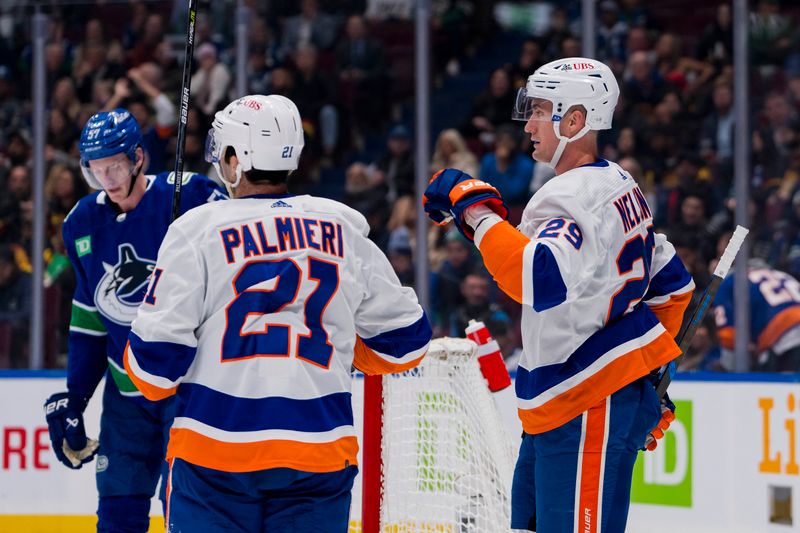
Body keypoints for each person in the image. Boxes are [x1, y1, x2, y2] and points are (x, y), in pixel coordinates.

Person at [123, 95, 431, 532]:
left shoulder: (196, 230)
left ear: (234, 159)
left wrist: (165, 315)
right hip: (319, 452)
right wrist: (339, 347)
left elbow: (153, 376)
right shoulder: (342, 224)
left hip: (216, 457)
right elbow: (408, 343)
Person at [423, 57, 695, 532]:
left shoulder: (570, 196)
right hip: (573, 404)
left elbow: (537, 278)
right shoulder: (620, 185)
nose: (527, 124)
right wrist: (646, 377)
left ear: (575, 120)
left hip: (585, 405)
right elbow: (673, 285)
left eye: (539, 110)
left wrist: (475, 210)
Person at [42, 109, 226, 533]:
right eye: (97, 169)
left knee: (187, 510)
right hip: (126, 393)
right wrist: (76, 398)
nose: (107, 178)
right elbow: (90, 322)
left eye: (116, 166)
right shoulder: (81, 223)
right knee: (117, 510)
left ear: (138, 157)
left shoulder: (192, 197)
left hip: (189, 388)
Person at [714, 260, 800, 372]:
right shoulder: (781, 274)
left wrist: (726, 368)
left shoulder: (729, 282)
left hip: (786, 337)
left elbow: (729, 336)